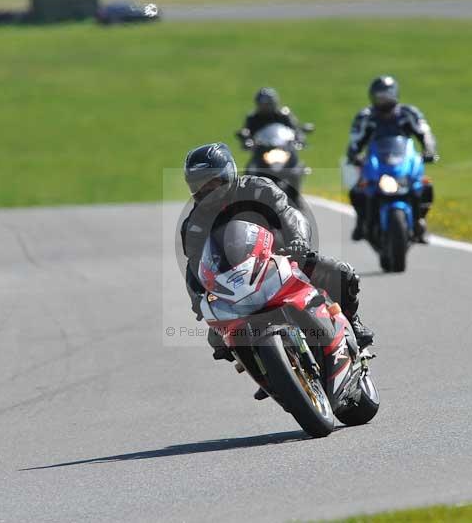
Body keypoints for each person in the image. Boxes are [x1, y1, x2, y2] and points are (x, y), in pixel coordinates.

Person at [180, 143, 374, 379]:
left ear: (228, 174)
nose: (206, 190)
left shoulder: (257, 188)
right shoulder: (195, 224)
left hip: (282, 258)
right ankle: (266, 374)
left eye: (211, 182)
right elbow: (195, 265)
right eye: (198, 185)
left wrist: (299, 243)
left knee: (341, 273)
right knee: (218, 338)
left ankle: (353, 323)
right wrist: (198, 299)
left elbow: (289, 214)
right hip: (234, 283)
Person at [346, 75, 439, 242]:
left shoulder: (408, 113)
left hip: (403, 162)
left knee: (425, 186)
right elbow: (355, 140)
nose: (384, 99)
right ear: (373, 96)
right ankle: (361, 223)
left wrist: (429, 150)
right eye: (380, 95)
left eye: (387, 94)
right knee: (357, 191)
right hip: (378, 164)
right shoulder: (366, 117)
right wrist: (354, 155)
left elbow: (425, 133)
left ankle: (420, 220)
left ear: (395, 93)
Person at [236, 87, 305, 151]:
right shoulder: (253, 118)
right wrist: (247, 141)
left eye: (268, 104)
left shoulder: (284, 116)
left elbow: (295, 129)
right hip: (261, 152)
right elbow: (247, 132)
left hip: (284, 149)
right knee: (251, 164)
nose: (265, 107)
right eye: (262, 104)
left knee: (299, 164)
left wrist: (299, 140)